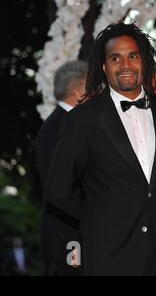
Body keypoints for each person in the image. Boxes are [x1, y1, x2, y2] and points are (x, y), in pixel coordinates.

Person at [45, 22, 156, 275]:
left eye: (132, 56)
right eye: (115, 58)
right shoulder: (83, 119)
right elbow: (58, 189)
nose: (125, 65)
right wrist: (100, 218)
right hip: (109, 256)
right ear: (104, 66)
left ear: (143, 61)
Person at [36, 60, 88, 276]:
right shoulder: (60, 126)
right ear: (78, 90)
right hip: (67, 237)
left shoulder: (60, 123)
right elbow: (60, 191)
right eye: (92, 86)